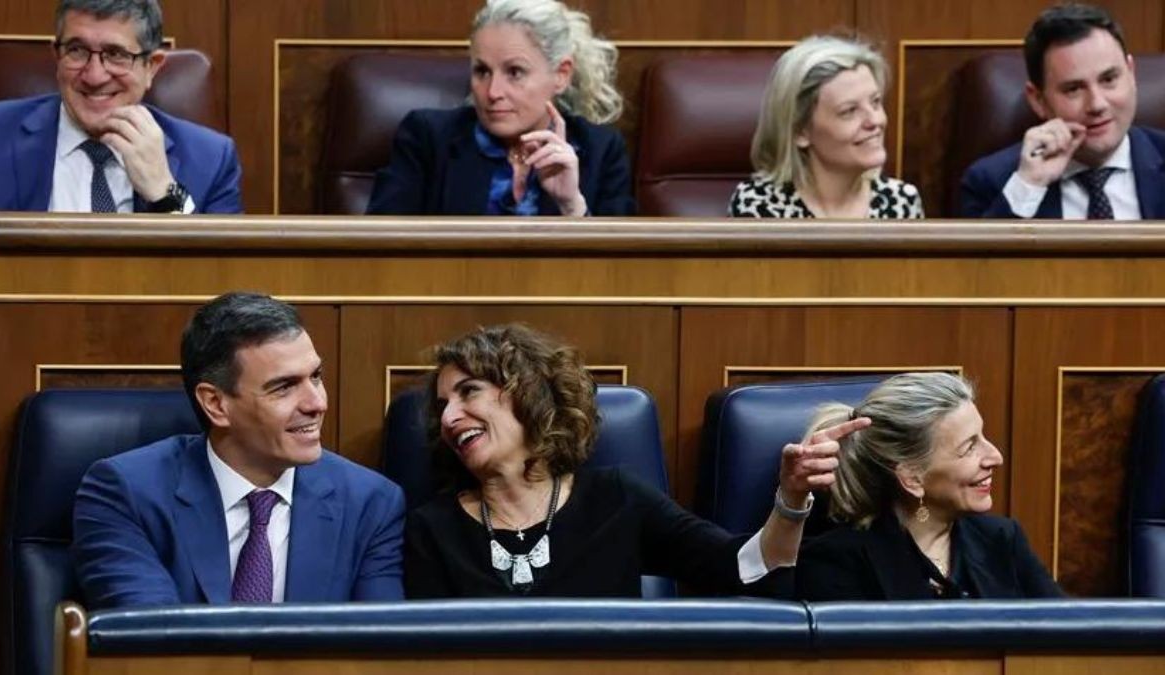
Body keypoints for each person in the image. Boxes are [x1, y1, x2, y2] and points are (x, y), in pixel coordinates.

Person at [403, 323, 867, 598]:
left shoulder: (617, 499)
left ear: (529, 394)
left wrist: (790, 497)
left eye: (468, 393)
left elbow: (742, 568)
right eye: (441, 405)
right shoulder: (431, 527)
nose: (449, 417)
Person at [73, 292, 404, 608]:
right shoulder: (126, 493)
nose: (317, 403)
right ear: (216, 404)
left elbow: (376, 653)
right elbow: (155, 643)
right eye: (284, 387)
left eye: (316, 377)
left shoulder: (370, 504)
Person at [795, 372, 1064, 600]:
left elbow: (1071, 634)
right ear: (912, 478)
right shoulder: (838, 561)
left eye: (983, 436)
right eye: (969, 447)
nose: (996, 457)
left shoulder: (1002, 539)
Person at [0, 0, 242, 213]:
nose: (95, 76)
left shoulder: (211, 160)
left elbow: (222, 279)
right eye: (77, 50)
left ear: (151, 67)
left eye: (116, 54)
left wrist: (167, 194)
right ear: (57, 57)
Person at [367, 0, 635, 217]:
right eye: (482, 71)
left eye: (515, 72)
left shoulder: (602, 151)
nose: (493, 92)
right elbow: (378, 249)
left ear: (561, 75)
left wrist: (571, 207)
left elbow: (621, 272)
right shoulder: (427, 138)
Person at [958, 3, 1165, 219]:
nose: (1097, 105)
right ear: (1038, 100)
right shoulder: (990, 182)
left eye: (1108, 79)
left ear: (1131, 73)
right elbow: (986, 253)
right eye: (1073, 89)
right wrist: (1029, 185)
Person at [729, 35, 923, 219]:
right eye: (849, 111)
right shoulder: (757, 206)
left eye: (875, 102)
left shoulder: (901, 201)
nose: (875, 121)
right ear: (800, 131)